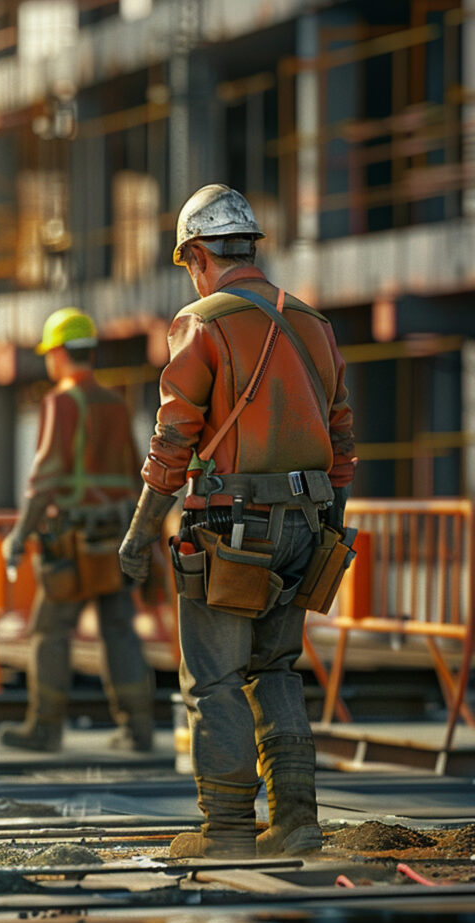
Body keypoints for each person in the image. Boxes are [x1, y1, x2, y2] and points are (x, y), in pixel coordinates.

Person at [119, 184, 356, 859]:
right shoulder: (312, 322)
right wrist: (327, 534)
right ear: (249, 248)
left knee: (215, 678)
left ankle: (225, 828)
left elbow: (173, 443)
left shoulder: (202, 321)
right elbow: (341, 444)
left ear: (197, 253)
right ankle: (296, 821)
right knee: (276, 669)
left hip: (231, 528)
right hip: (305, 525)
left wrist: (140, 534)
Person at [0, 307, 154, 754]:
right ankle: (138, 730)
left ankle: (45, 728)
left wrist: (19, 535)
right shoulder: (116, 403)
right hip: (115, 539)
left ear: (62, 354)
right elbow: (134, 473)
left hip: (71, 541)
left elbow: (45, 479)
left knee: (50, 630)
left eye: (50, 353)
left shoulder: (61, 402)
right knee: (120, 630)